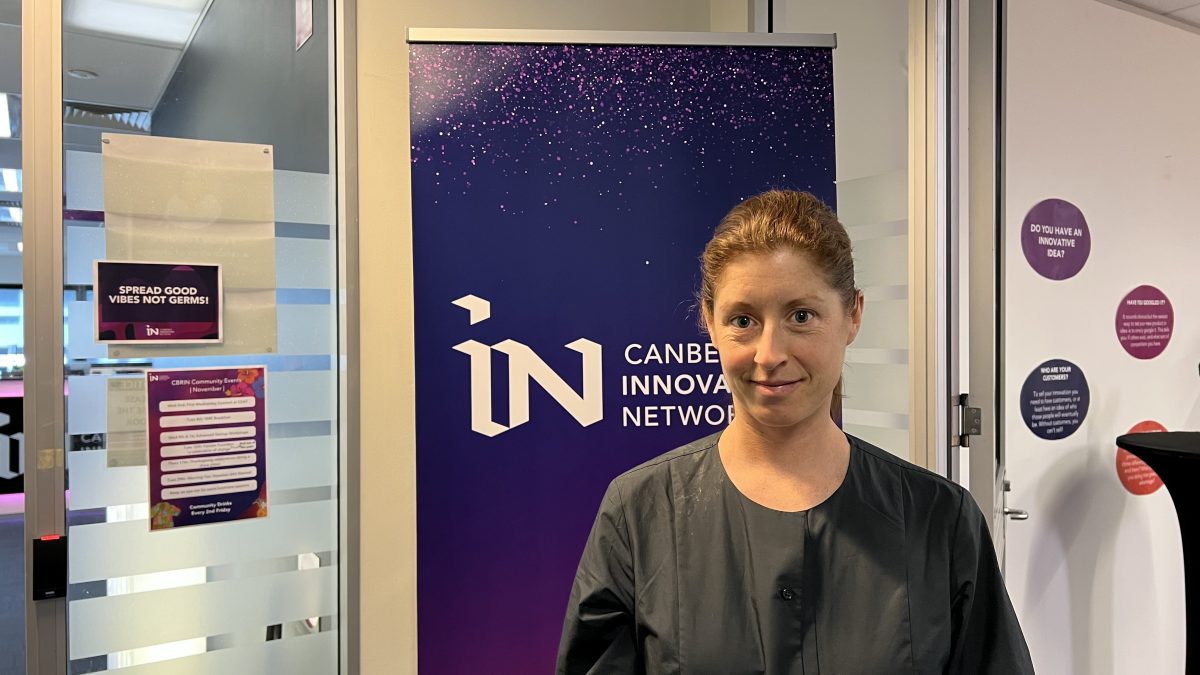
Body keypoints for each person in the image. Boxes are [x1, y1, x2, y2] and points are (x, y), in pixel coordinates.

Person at [557, 190, 1034, 674]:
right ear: (709, 321)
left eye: (801, 316)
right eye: (743, 320)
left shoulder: (940, 520)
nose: (769, 354)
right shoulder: (639, 512)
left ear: (853, 315)